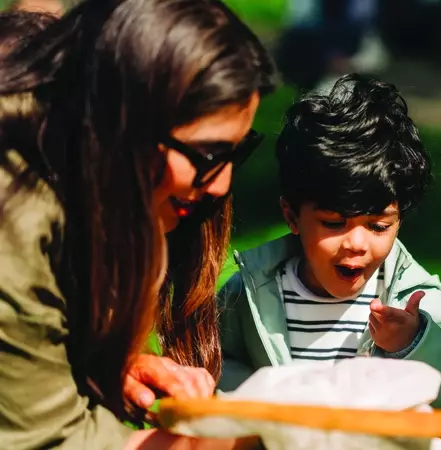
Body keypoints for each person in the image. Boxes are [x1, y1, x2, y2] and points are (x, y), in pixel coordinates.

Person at [0, 0, 275, 448]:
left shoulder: (66, 152)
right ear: (123, 126)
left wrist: (118, 363)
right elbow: (50, 441)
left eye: (236, 154)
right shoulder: (15, 219)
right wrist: (246, 440)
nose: (222, 184)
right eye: (209, 157)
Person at [217, 74, 441, 422]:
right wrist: (269, 401)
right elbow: (214, 364)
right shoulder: (251, 293)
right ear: (292, 216)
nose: (357, 244)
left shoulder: (410, 302)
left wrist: (414, 344)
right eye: (334, 223)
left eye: (378, 226)